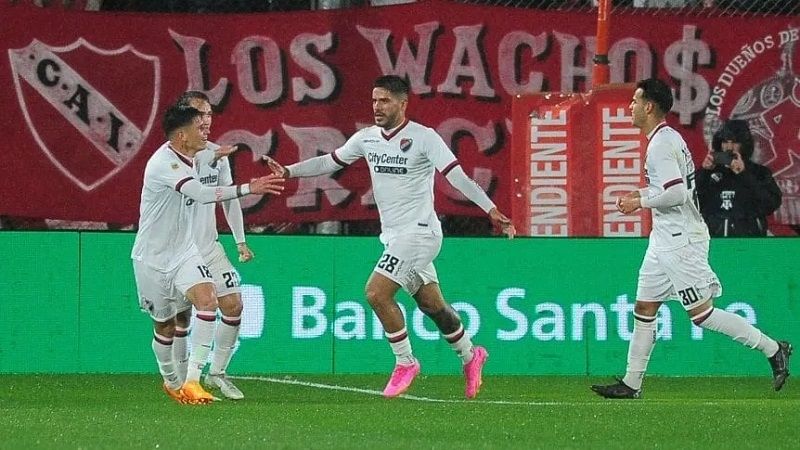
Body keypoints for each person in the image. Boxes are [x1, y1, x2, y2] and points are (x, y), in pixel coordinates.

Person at [264, 75, 515, 399]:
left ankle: (405, 362)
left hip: (421, 234)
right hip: (394, 237)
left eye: (384, 101)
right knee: (432, 305)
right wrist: (289, 171)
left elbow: (458, 178)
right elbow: (331, 161)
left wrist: (491, 210)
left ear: (402, 103)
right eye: (374, 100)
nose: (377, 107)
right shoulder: (367, 138)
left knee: (376, 292)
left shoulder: (424, 138)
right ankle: (471, 354)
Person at [590, 78, 792, 399]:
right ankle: (631, 383)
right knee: (645, 306)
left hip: (681, 240)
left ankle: (772, 348)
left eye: (634, 101)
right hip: (664, 237)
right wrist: (644, 196)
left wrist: (639, 200)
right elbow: (675, 190)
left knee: (702, 315)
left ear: (649, 106)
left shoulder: (660, 145)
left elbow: (676, 192)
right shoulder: (668, 138)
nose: (629, 107)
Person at [131, 104, 284, 404]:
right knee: (164, 324)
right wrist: (248, 188)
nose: (206, 131)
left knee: (208, 301)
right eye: (198, 127)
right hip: (152, 258)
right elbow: (201, 195)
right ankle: (171, 381)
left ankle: (193, 380)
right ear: (181, 135)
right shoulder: (164, 162)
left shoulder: (194, 154)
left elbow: (210, 159)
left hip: (186, 252)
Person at [168, 91, 253, 400]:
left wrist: (240, 241)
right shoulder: (171, 156)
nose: (206, 120)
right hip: (178, 251)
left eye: (209, 114)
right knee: (181, 316)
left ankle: (216, 373)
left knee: (234, 304)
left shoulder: (217, 155)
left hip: (209, 245)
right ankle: (178, 378)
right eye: (199, 113)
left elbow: (228, 199)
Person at [696, 119, 782, 237]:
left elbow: (771, 204)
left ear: (744, 145)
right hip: (713, 243)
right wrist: (704, 172)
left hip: (749, 243)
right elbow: (691, 202)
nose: (729, 147)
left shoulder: (759, 172)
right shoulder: (710, 173)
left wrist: (743, 174)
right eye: (725, 142)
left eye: (735, 142)